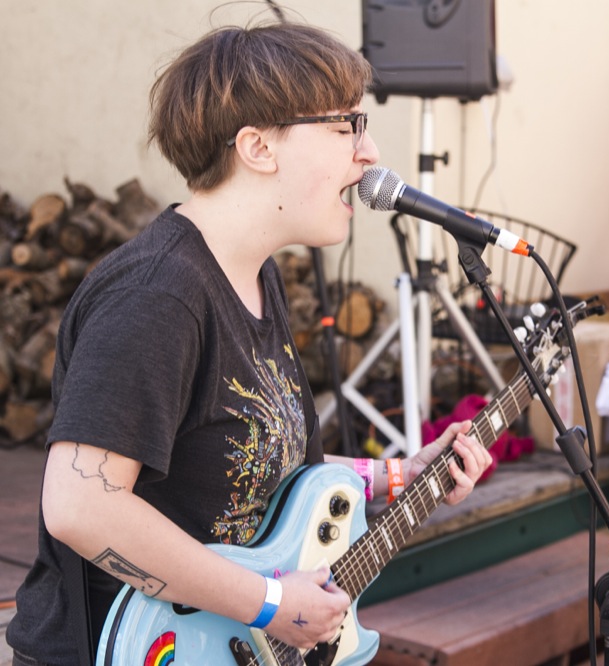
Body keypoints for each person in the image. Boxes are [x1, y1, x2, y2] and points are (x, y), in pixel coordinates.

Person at [6, 21, 493, 666]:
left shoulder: (256, 274)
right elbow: (80, 507)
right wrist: (267, 603)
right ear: (258, 147)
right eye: (346, 125)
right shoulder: (159, 298)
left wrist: (403, 475)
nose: (370, 152)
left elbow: (260, 472)